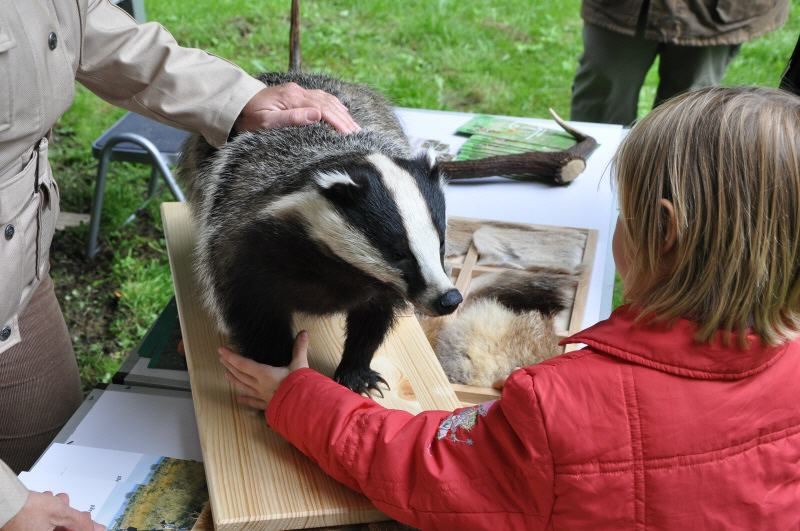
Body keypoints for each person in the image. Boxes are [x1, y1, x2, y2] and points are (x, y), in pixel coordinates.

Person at [220, 86, 800, 528]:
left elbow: (426, 470)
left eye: (625, 211)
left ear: (665, 233)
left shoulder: (562, 404)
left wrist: (299, 399)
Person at [0, 0, 357, 528]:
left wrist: (234, 99)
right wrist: (8, 506)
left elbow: (82, 22)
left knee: (53, 453)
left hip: (17, 269)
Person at [570, 0, 789, 125]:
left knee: (688, 111)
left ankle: (668, 186)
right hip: (622, 6)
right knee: (602, 99)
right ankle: (591, 179)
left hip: (716, 11)